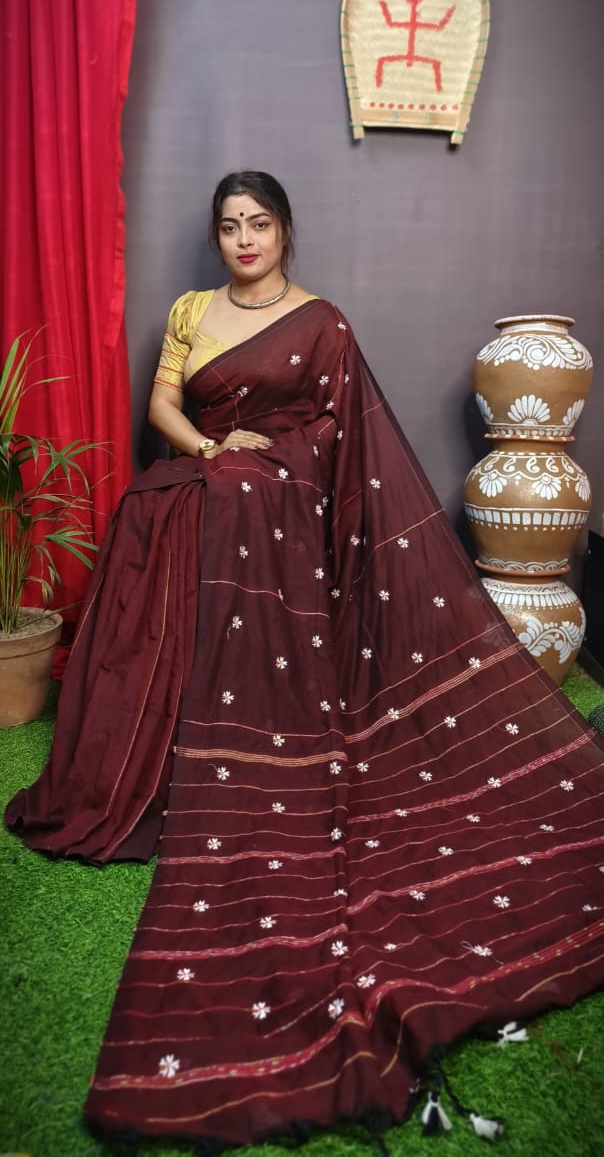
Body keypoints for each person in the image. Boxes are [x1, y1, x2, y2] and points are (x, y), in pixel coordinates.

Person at [6, 172, 604, 1150]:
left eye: (260, 224)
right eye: (229, 226)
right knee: (167, 497)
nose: (244, 239)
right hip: (210, 482)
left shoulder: (320, 322)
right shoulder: (193, 311)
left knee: (243, 489)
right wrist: (216, 445)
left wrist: (264, 460)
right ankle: (141, 751)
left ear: (285, 231)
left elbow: (335, 433)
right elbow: (162, 407)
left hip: (281, 504)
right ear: (218, 238)